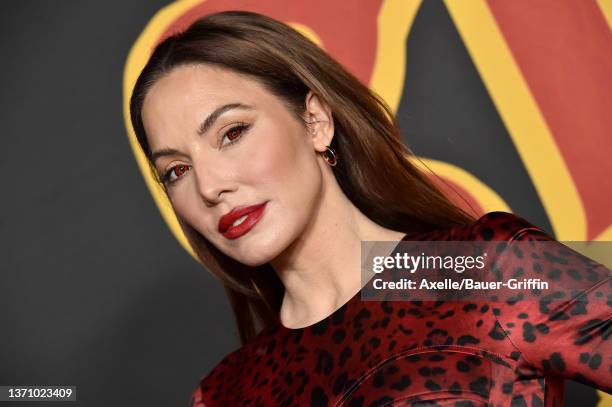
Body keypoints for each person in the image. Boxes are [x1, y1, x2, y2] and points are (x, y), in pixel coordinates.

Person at [129, 10, 611, 406]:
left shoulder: (482, 269)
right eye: (177, 170)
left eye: (232, 133)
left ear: (315, 121)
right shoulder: (223, 394)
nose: (210, 186)